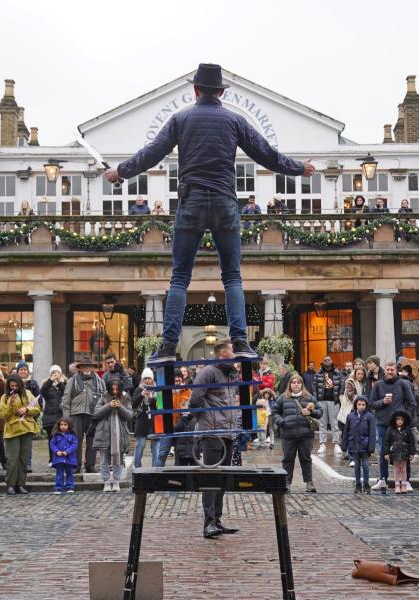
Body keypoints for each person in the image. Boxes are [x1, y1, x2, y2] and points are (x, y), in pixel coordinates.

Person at [108, 64, 313, 365]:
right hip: (224, 203)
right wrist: (300, 168)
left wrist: (120, 172)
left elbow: (151, 153)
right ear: (220, 92)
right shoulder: (234, 120)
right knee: (232, 276)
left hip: (190, 202)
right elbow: (266, 154)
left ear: (195, 90)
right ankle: (241, 342)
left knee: (180, 277)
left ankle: (167, 346)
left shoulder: (180, 119)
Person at [188, 339, 243, 537]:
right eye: (231, 351)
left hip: (227, 433)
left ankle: (217, 520)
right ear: (221, 354)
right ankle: (208, 523)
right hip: (212, 433)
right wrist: (205, 417)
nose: (235, 355)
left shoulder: (230, 374)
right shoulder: (208, 372)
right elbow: (195, 399)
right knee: (211, 478)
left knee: (222, 479)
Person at [368, 361, 417, 492]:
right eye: (388, 370)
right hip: (383, 423)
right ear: (385, 371)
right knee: (383, 452)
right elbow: (371, 404)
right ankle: (383, 479)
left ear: (396, 371)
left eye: (392, 370)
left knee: (404, 452)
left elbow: (412, 404)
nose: (390, 372)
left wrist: (406, 418)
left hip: (400, 425)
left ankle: (406, 481)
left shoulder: (403, 384)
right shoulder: (378, 384)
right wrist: (382, 402)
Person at [271, 373, 322, 494]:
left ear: (302, 385)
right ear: (290, 384)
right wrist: (281, 422)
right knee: (288, 459)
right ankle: (286, 483)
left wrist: (310, 413)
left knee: (306, 459)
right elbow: (274, 412)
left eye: (298, 383)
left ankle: (309, 483)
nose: (296, 385)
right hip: (288, 434)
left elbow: (320, 411)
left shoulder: (309, 397)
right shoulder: (283, 398)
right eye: (293, 382)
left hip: (306, 435)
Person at [62, 361, 105, 473]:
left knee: (92, 441)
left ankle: (90, 465)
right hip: (76, 414)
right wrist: (66, 418)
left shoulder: (100, 382)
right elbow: (66, 400)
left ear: (93, 368)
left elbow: (104, 399)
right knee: (76, 441)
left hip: (93, 415)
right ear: (80, 368)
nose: (87, 368)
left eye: (89, 366)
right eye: (84, 366)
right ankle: (75, 465)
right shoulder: (72, 380)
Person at [0, 374, 40, 495]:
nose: (14, 387)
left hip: (27, 428)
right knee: (12, 459)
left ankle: (21, 484)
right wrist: (9, 405)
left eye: (17, 385)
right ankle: (11, 485)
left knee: (23, 458)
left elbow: (37, 408)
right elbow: (3, 415)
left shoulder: (27, 393)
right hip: (12, 430)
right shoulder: (5, 397)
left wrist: (26, 410)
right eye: (12, 385)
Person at [93, 379, 131, 493]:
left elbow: (129, 416)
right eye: (113, 389)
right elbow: (96, 414)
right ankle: (106, 482)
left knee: (118, 459)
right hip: (104, 433)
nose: (115, 391)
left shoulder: (125, 398)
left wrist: (120, 407)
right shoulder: (103, 398)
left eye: (117, 389)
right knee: (104, 459)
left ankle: (116, 481)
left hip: (120, 434)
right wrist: (108, 405)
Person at [343, 397, 376, 494]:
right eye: (359, 404)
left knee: (365, 465)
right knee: (357, 465)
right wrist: (344, 445)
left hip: (365, 446)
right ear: (356, 405)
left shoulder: (369, 416)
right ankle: (358, 484)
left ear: (366, 406)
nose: (361, 407)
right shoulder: (350, 416)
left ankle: (366, 484)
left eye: (363, 405)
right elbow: (346, 431)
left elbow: (372, 433)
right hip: (354, 445)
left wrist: (371, 447)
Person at [314, 355, 345, 456]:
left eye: (329, 360)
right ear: (322, 362)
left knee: (334, 424)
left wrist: (339, 397)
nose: (327, 361)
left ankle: (336, 444)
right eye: (325, 360)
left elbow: (342, 385)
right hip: (321, 401)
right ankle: (322, 444)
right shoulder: (318, 374)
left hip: (334, 401)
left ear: (331, 362)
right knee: (322, 423)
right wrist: (316, 400)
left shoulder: (337, 373)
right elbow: (314, 387)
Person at [382, 410, 415, 495]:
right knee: (396, 469)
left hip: (405, 452)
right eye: (398, 419)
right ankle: (397, 485)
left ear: (404, 420)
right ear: (394, 420)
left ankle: (403, 485)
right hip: (394, 452)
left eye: (401, 419)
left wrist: (412, 453)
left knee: (404, 469)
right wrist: (386, 453)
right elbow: (386, 442)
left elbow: (411, 442)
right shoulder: (390, 429)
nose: (400, 421)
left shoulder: (407, 430)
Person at [131, 368, 157, 468]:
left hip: (155, 422)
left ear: (152, 379)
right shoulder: (138, 389)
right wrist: (141, 395)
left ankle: (155, 468)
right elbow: (133, 404)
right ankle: (137, 467)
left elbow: (161, 405)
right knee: (140, 445)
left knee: (156, 445)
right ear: (142, 379)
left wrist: (151, 398)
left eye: (149, 378)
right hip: (142, 421)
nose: (147, 380)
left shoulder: (157, 390)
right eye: (145, 378)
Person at [49, 417, 78, 494]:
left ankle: (70, 487)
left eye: (65, 425)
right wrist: (56, 451)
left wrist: (68, 451)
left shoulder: (72, 436)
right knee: (59, 473)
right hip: (59, 459)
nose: (63, 426)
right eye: (61, 425)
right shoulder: (55, 436)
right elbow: (52, 444)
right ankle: (58, 487)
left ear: (69, 426)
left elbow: (74, 445)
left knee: (70, 473)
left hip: (69, 458)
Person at [40, 365, 66, 441]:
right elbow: (43, 392)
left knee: (63, 440)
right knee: (52, 441)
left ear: (61, 374)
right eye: (53, 372)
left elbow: (66, 393)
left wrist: (59, 383)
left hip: (62, 417)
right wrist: (51, 381)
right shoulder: (46, 384)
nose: (55, 374)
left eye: (57, 372)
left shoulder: (65, 383)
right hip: (50, 418)